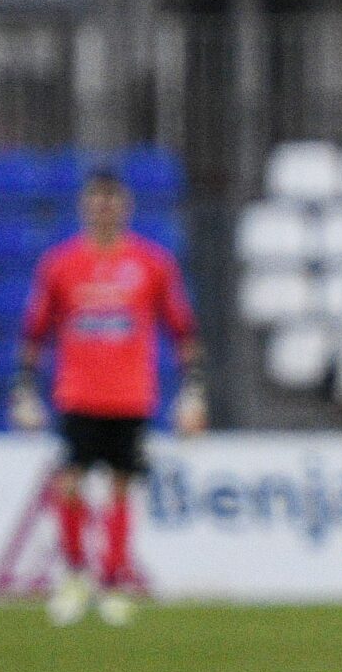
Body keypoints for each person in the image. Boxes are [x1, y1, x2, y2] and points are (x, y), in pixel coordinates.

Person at [11, 169, 205, 625]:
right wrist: (24, 389)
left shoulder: (152, 263)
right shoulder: (60, 264)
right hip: (78, 395)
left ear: (125, 207)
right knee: (69, 483)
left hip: (130, 396)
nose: (103, 210)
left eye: (111, 202)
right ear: (84, 207)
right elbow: (35, 330)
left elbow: (182, 329)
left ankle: (114, 583)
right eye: (96, 202)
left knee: (121, 485)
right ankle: (75, 576)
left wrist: (193, 391)